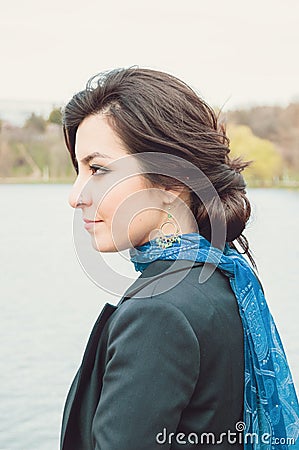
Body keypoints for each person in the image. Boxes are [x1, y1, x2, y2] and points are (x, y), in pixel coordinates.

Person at [59, 67, 299, 450]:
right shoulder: (223, 278)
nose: (76, 196)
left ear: (171, 180)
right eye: (78, 170)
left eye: (98, 169)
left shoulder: (158, 312)